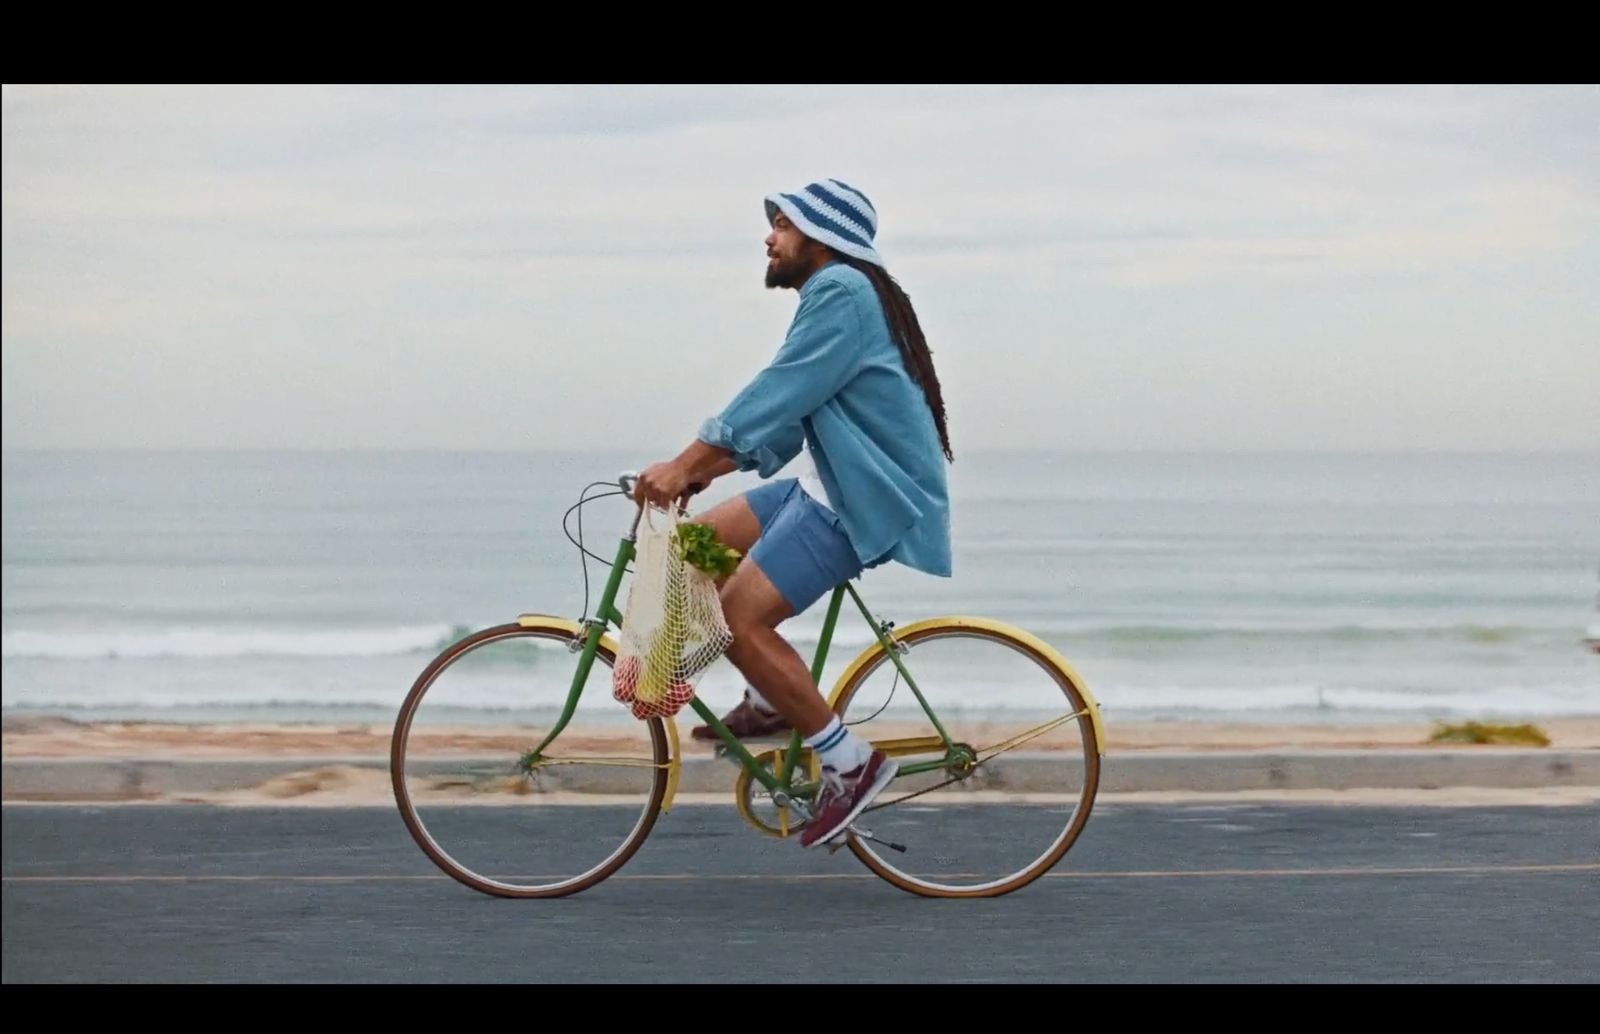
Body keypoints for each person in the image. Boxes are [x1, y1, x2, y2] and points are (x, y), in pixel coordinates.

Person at [630, 178, 954, 848]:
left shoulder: (842, 292)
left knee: (740, 621)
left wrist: (686, 462)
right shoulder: (846, 297)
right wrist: (699, 471)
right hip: (826, 482)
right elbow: (788, 413)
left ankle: (849, 763)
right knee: (692, 548)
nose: (768, 237)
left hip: (860, 497)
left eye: (781, 224)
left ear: (820, 235)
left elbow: (777, 391)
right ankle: (773, 699)